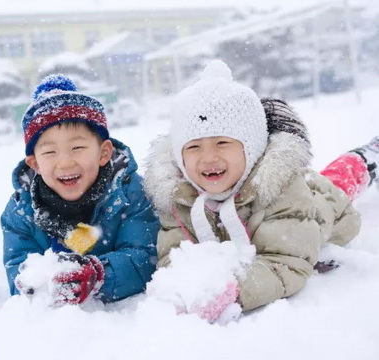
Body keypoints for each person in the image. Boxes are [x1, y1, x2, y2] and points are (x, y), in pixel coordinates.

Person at [143, 59, 378, 323]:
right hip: (300, 196)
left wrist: (234, 291)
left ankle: (367, 158)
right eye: (194, 147)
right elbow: (173, 254)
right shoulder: (179, 197)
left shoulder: (283, 190)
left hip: (323, 205)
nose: (208, 157)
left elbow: (287, 262)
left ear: (252, 148)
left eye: (222, 142)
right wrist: (175, 290)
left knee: (340, 179)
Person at [1, 74, 159, 305]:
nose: (65, 162)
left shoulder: (130, 194)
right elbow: (18, 271)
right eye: (49, 152)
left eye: (77, 147)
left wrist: (98, 276)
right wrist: (39, 285)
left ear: (104, 153)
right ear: (35, 164)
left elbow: (145, 259)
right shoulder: (20, 212)